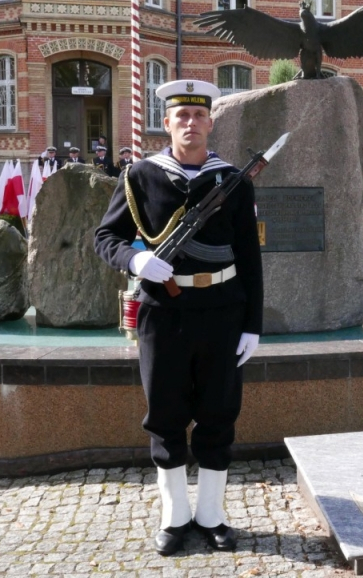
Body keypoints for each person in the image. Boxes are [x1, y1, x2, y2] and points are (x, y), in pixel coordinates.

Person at [94, 79, 262, 556]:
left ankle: (212, 513)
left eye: (199, 116)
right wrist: (136, 261)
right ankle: (175, 514)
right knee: (165, 413)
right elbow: (105, 238)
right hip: (162, 315)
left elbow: (250, 257)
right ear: (165, 123)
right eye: (180, 116)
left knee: (218, 412)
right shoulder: (141, 176)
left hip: (222, 312)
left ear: (211, 122)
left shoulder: (232, 179)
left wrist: (253, 324)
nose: (191, 124)